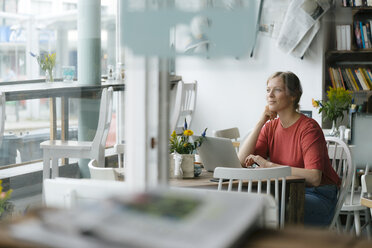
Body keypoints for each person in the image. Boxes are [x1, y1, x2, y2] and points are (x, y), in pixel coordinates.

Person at [238, 71, 340, 226]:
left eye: (277, 90)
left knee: (272, 209)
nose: (270, 95)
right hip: (285, 192)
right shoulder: (270, 127)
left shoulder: (309, 128)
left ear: (293, 95)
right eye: (268, 90)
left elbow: (314, 178)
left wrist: (269, 166)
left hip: (316, 194)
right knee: (249, 204)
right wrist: (260, 122)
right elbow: (242, 161)